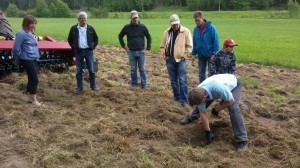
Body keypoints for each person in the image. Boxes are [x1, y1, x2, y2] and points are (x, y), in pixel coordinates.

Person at [180, 74, 248, 151]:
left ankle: (242, 140)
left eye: (200, 102)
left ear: (204, 97)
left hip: (234, 84)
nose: (200, 104)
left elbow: (231, 101)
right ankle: (193, 116)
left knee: (233, 108)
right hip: (214, 88)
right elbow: (203, 113)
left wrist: (216, 109)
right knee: (200, 106)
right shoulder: (198, 91)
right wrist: (207, 131)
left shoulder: (219, 89)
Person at [160, 14, 193, 107]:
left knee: (182, 80)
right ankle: (176, 96)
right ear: (170, 24)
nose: (175, 26)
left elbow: (189, 46)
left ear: (179, 22)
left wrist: (185, 56)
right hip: (169, 59)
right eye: (173, 24)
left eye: (176, 24)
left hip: (180, 60)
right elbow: (162, 46)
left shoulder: (185, 31)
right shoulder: (166, 32)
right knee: (173, 80)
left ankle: (184, 100)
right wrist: (164, 54)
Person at [12, 15, 42, 106]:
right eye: (31, 23)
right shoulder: (21, 34)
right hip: (27, 59)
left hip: (34, 58)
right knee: (35, 79)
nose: (33, 25)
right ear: (26, 24)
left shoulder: (31, 33)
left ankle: (30, 99)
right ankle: (34, 100)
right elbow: (15, 48)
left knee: (31, 78)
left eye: (34, 23)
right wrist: (21, 57)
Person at [118, 10, 151, 89]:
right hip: (131, 52)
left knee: (142, 69)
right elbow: (120, 36)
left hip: (141, 52)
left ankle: (144, 84)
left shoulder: (143, 27)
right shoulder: (127, 27)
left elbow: (148, 37)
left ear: (138, 17)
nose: (135, 19)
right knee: (133, 69)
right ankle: (134, 84)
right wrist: (124, 46)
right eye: (133, 18)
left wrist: (148, 49)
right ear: (131, 18)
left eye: (136, 18)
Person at [68, 11, 99, 94]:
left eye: (85, 20)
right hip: (78, 52)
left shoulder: (90, 29)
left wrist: (93, 47)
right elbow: (69, 39)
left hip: (88, 51)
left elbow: (96, 39)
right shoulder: (74, 29)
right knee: (79, 70)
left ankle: (93, 86)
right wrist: (74, 47)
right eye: (82, 20)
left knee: (91, 70)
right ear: (79, 20)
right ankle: (79, 87)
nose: (84, 22)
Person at [191, 11, 219, 83]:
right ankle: (202, 89)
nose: (197, 22)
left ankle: (211, 89)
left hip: (211, 55)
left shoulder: (211, 28)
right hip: (201, 55)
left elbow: (216, 41)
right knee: (201, 74)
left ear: (202, 18)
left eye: (198, 20)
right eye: (195, 21)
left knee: (211, 74)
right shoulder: (196, 29)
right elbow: (195, 42)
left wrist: (214, 54)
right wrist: (194, 53)